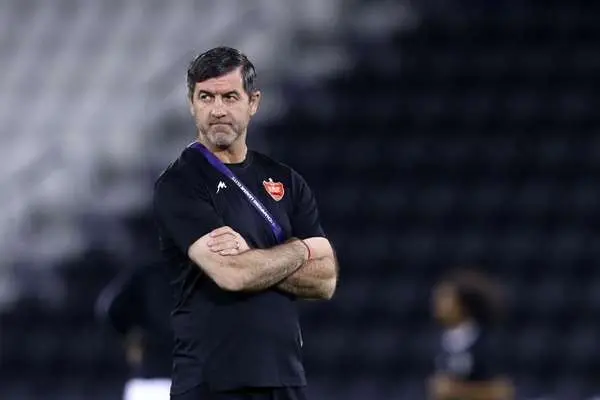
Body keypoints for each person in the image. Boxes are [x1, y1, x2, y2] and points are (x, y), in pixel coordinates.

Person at [152, 46, 338, 400]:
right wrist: (299, 250)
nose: (217, 110)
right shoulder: (180, 183)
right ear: (191, 104)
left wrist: (253, 255)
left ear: (253, 102)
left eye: (229, 97)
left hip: (284, 377)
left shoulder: (286, 180)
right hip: (212, 381)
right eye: (205, 97)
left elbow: (326, 279)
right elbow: (232, 274)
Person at [428, 269, 514, 400]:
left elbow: (502, 392)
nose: (437, 303)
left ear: (464, 304)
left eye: (445, 298)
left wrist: (456, 391)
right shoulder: (442, 341)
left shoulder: (486, 342)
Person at [96, 262, 173, 400]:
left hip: (151, 381)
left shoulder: (149, 268)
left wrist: (129, 337)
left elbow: (112, 309)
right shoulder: (206, 270)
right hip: (177, 380)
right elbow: (112, 309)